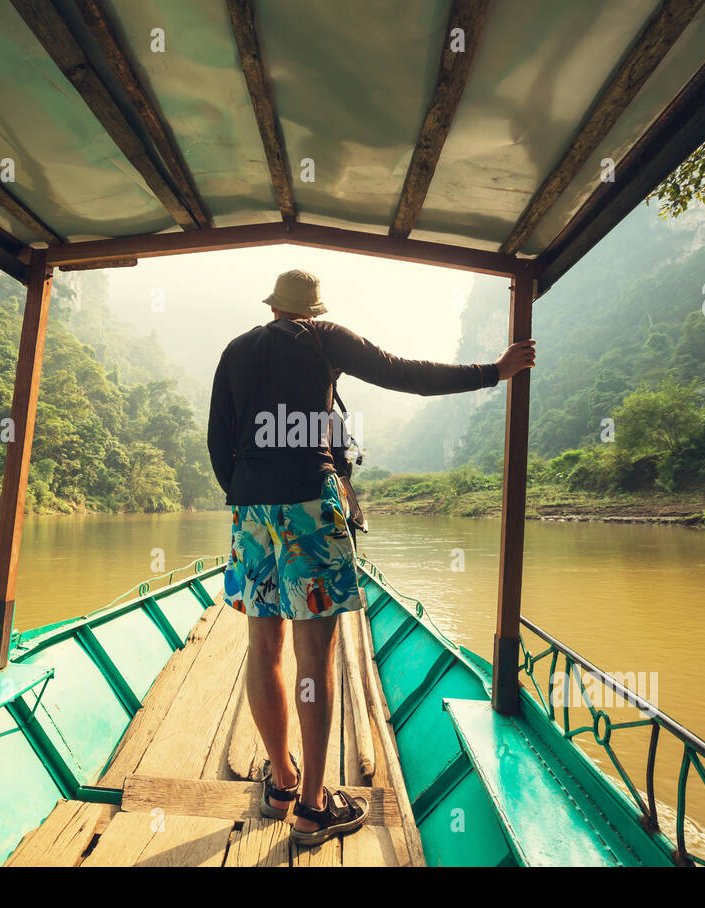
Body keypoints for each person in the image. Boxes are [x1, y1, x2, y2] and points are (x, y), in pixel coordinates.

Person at [206, 268, 536, 845]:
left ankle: (281, 782)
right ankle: (311, 806)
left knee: (263, 647)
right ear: (310, 309)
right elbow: (404, 373)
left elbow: (218, 439)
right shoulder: (324, 338)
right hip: (311, 504)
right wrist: (495, 372)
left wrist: (250, 492)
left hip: (252, 512)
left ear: (274, 307)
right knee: (314, 657)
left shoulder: (235, 350)